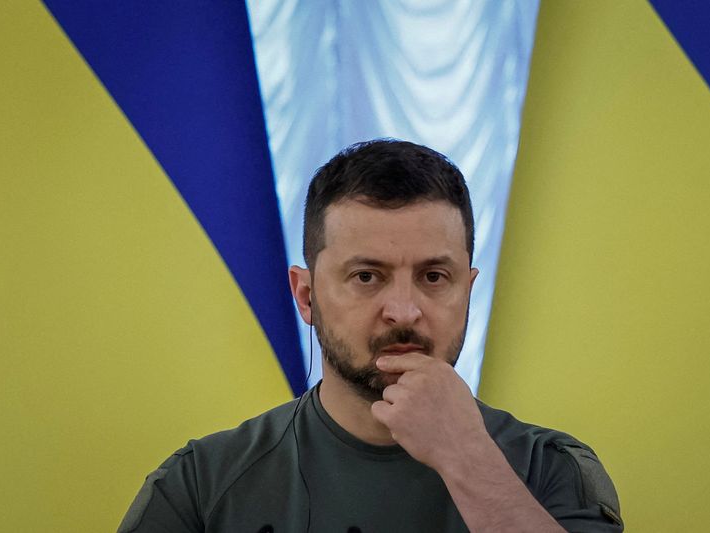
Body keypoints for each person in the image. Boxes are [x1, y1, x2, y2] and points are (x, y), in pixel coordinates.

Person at [119, 139, 623, 532]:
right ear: (306, 296)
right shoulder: (200, 484)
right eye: (366, 276)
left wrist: (467, 459)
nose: (403, 311)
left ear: (468, 291)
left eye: (434, 277)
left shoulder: (550, 470)